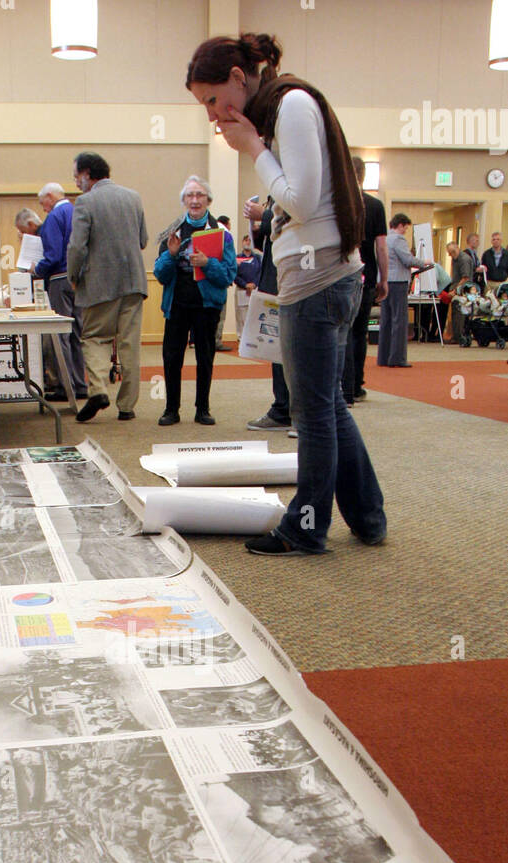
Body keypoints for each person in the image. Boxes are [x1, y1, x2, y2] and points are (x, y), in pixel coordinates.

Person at [187, 31, 387, 555]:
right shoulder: (284, 108)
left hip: (317, 278)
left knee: (312, 412)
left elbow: (298, 201)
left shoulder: (292, 105)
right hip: (319, 275)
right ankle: (367, 516)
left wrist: (254, 148)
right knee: (326, 407)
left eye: (213, 98)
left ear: (238, 78)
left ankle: (306, 527)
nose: (213, 114)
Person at [67, 151, 148, 422]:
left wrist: (73, 275)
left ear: (88, 174)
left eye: (77, 176)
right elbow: (143, 240)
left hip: (99, 284)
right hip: (134, 282)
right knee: (129, 344)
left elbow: (77, 246)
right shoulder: (134, 197)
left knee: (94, 337)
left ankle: (99, 391)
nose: (76, 182)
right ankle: (127, 406)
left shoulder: (85, 202)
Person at [153, 175, 237, 426]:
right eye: (190, 195)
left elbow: (228, 275)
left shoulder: (222, 234)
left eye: (199, 195)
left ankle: (203, 408)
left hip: (206, 306)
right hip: (177, 304)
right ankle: (171, 409)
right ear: (183, 201)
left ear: (208, 200)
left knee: (205, 357)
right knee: (172, 358)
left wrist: (207, 264)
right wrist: (171, 254)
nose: (195, 200)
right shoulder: (173, 233)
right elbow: (159, 274)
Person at [30, 184, 88, 400]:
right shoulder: (76, 211)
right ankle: (81, 385)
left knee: (60, 333)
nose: (43, 208)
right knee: (77, 334)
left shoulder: (55, 216)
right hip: (79, 280)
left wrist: (37, 269)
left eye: (42, 202)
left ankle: (66, 387)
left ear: (50, 196)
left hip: (59, 279)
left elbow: (52, 256)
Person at [341, 156, 388, 400]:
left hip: (344, 274)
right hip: (367, 276)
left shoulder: (341, 202)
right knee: (360, 333)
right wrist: (384, 278)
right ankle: (357, 384)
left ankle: (345, 386)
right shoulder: (375, 205)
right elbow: (382, 247)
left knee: (345, 332)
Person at [243, 196, 292, 430]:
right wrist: (257, 224)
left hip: (296, 276)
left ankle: (300, 413)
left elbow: (299, 219)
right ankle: (283, 408)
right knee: (277, 348)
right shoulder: (276, 189)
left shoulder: (298, 178)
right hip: (275, 277)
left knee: (296, 349)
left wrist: (263, 214)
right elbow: (267, 240)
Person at [377, 213, 433, 367]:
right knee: (399, 321)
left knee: (386, 320)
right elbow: (408, 260)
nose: (405, 231)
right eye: (405, 228)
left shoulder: (385, 238)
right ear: (400, 225)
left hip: (386, 280)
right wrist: (424, 262)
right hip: (398, 282)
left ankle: (383, 357)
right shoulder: (398, 239)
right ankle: (397, 358)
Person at [446, 241, 475, 343]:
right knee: (455, 312)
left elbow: (465, 278)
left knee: (459, 313)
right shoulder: (455, 259)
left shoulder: (464, 259)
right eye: (449, 253)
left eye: (452, 252)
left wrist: (455, 290)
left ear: (457, 248)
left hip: (463, 290)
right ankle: (456, 335)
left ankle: (458, 337)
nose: (451, 255)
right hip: (458, 289)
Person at [234, 236, 261, 339]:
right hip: (241, 290)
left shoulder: (258, 258)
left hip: (255, 290)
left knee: (255, 314)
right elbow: (234, 274)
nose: (248, 242)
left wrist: (254, 284)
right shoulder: (237, 257)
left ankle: (254, 338)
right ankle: (241, 338)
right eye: (246, 240)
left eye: (250, 240)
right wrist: (245, 285)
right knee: (241, 315)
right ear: (242, 242)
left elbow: (261, 273)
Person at [214, 214, 233, 350]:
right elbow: (229, 261)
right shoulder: (225, 234)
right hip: (219, 280)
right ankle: (216, 341)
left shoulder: (207, 229)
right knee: (220, 315)